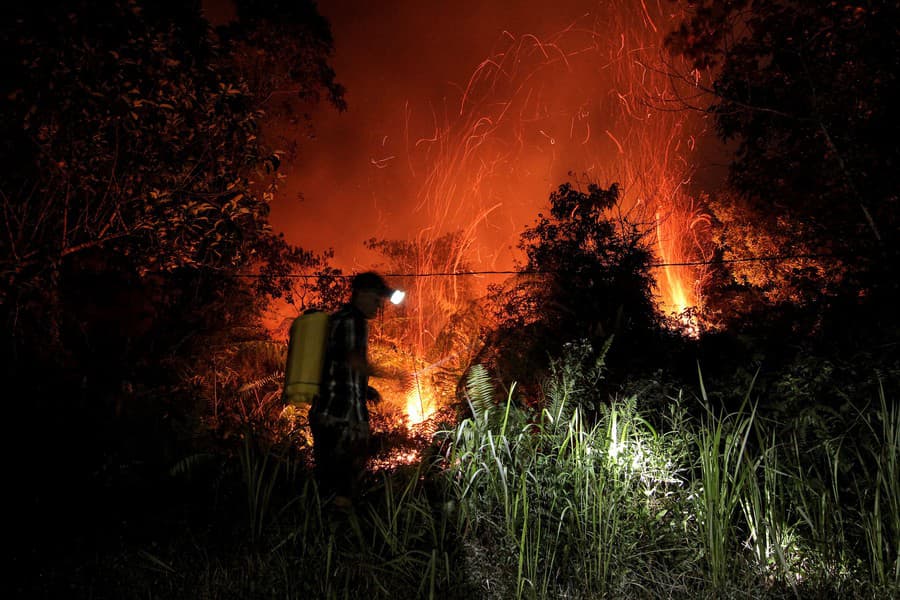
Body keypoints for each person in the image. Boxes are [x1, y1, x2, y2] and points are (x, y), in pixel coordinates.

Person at [308, 271, 404, 507]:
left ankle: (323, 533)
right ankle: (337, 535)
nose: (378, 307)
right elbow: (354, 360)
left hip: (328, 413)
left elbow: (339, 364)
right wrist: (392, 375)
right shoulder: (353, 320)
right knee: (343, 485)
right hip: (341, 416)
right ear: (360, 295)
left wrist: (366, 390)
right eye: (375, 300)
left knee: (330, 482)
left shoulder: (339, 319)